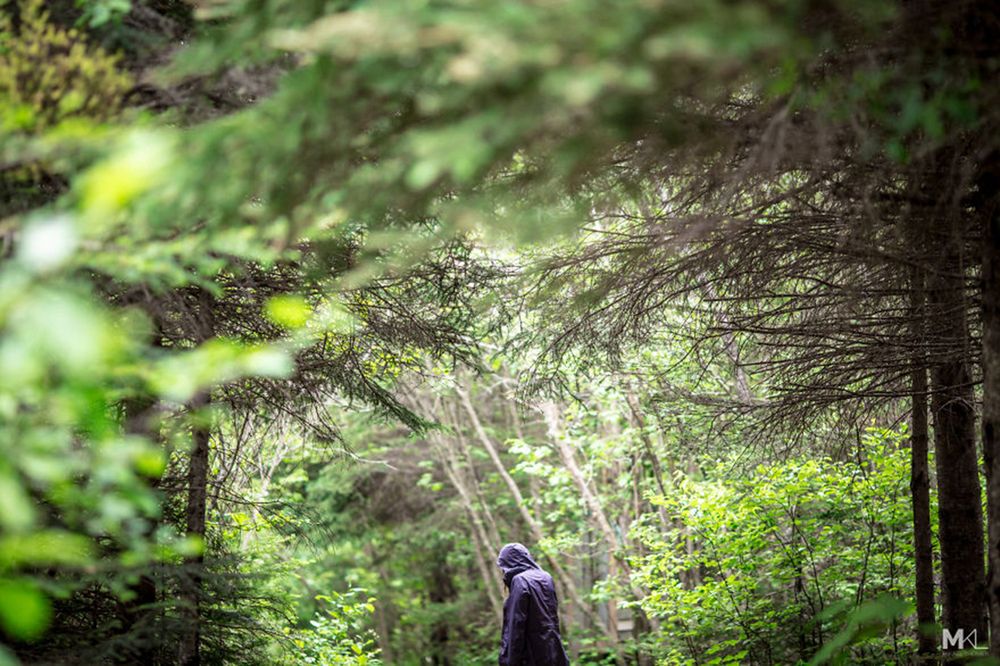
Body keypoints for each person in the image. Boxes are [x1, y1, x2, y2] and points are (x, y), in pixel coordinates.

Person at [496, 543, 571, 666]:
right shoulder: (546, 577)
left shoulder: (520, 581)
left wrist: (508, 661)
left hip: (530, 657)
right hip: (554, 653)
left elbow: (515, 627)